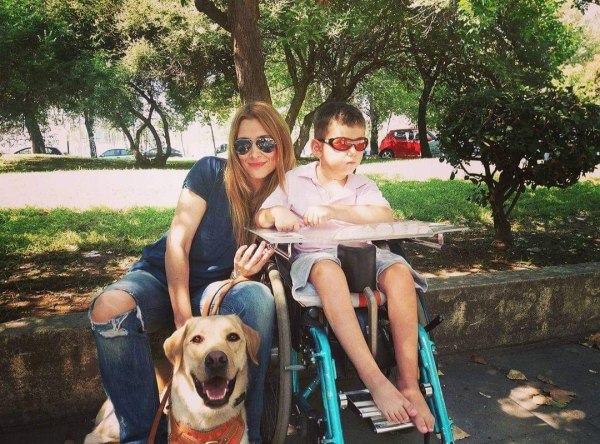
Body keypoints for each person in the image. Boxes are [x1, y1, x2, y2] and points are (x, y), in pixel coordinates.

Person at [89, 101, 296, 444]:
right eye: (243, 145)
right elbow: (178, 243)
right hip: (162, 276)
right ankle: (143, 435)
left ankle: (250, 434)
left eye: (265, 143)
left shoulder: (291, 192)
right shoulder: (210, 172)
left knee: (257, 298)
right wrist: (184, 320)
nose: (254, 153)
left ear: (282, 143)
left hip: (218, 287)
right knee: (108, 308)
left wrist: (240, 277)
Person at [255, 102, 435, 434]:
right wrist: (278, 214)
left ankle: (409, 383)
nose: (352, 152)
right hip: (317, 256)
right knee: (328, 270)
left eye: (360, 143)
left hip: (363, 254)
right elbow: (263, 215)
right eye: (341, 143)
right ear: (317, 147)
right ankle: (375, 380)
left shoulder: (362, 185)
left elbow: (384, 215)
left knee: (399, 273)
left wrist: (335, 211)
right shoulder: (294, 180)